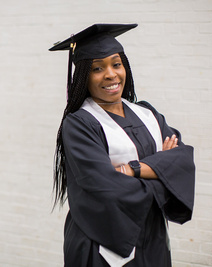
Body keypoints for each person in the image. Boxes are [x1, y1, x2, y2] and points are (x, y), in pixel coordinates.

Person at [49, 24, 196, 267]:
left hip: (154, 237)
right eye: (97, 68)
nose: (110, 74)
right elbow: (106, 189)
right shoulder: (79, 124)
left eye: (116, 64)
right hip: (102, 242)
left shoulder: (148, 113)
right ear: (84, 75)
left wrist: (133, 170)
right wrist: (163, 175)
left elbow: (182, 161)